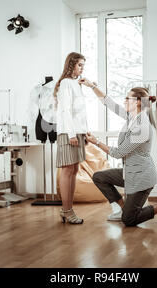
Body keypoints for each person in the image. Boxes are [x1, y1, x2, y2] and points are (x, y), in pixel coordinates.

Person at [79, 78, 157, 226]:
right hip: (129, 173)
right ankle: (123, 209)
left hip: (142, 176)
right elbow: (110, 103)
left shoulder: (142, 126)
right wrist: (92, 86)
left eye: (128, 98)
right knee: (99, 177)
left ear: (138, 102)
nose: (124, 101)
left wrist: (95, 141)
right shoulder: (132, 117)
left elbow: (118, 152)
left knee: (129, 220)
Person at [53, 52, 87, 224]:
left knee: (73, 171)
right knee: (68, 171)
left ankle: (67, 209)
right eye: (80, 64)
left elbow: (78, 113)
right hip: (69, 133)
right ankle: (67, 210)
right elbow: (66, 111)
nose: (82, 68)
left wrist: (83, 132)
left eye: (83, 65)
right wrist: (72, 134)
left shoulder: (75, 84)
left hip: (77, 132)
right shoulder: (66, 83)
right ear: (71, 64)